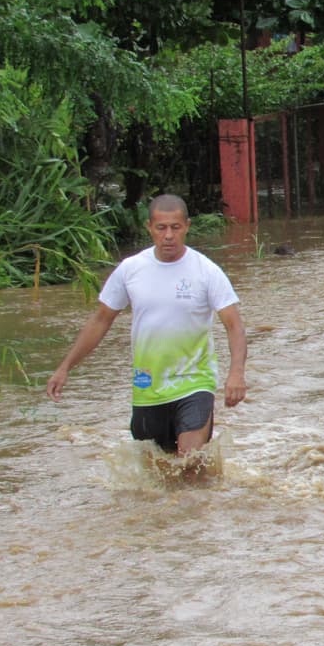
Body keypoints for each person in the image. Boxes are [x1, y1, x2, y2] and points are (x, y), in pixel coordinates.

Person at [46, 193, 247, 463]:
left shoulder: (206, 271)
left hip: (195, 382)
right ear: (149, 228)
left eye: (175, 228)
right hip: (148, 386)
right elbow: (101, 320)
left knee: (190, 463)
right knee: (158, 471)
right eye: (161, 227)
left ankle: (203, 505)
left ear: (186, 226)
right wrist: (65, 367)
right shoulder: (131, 270)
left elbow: (234, 325)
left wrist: (236, 374)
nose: (168, 236)